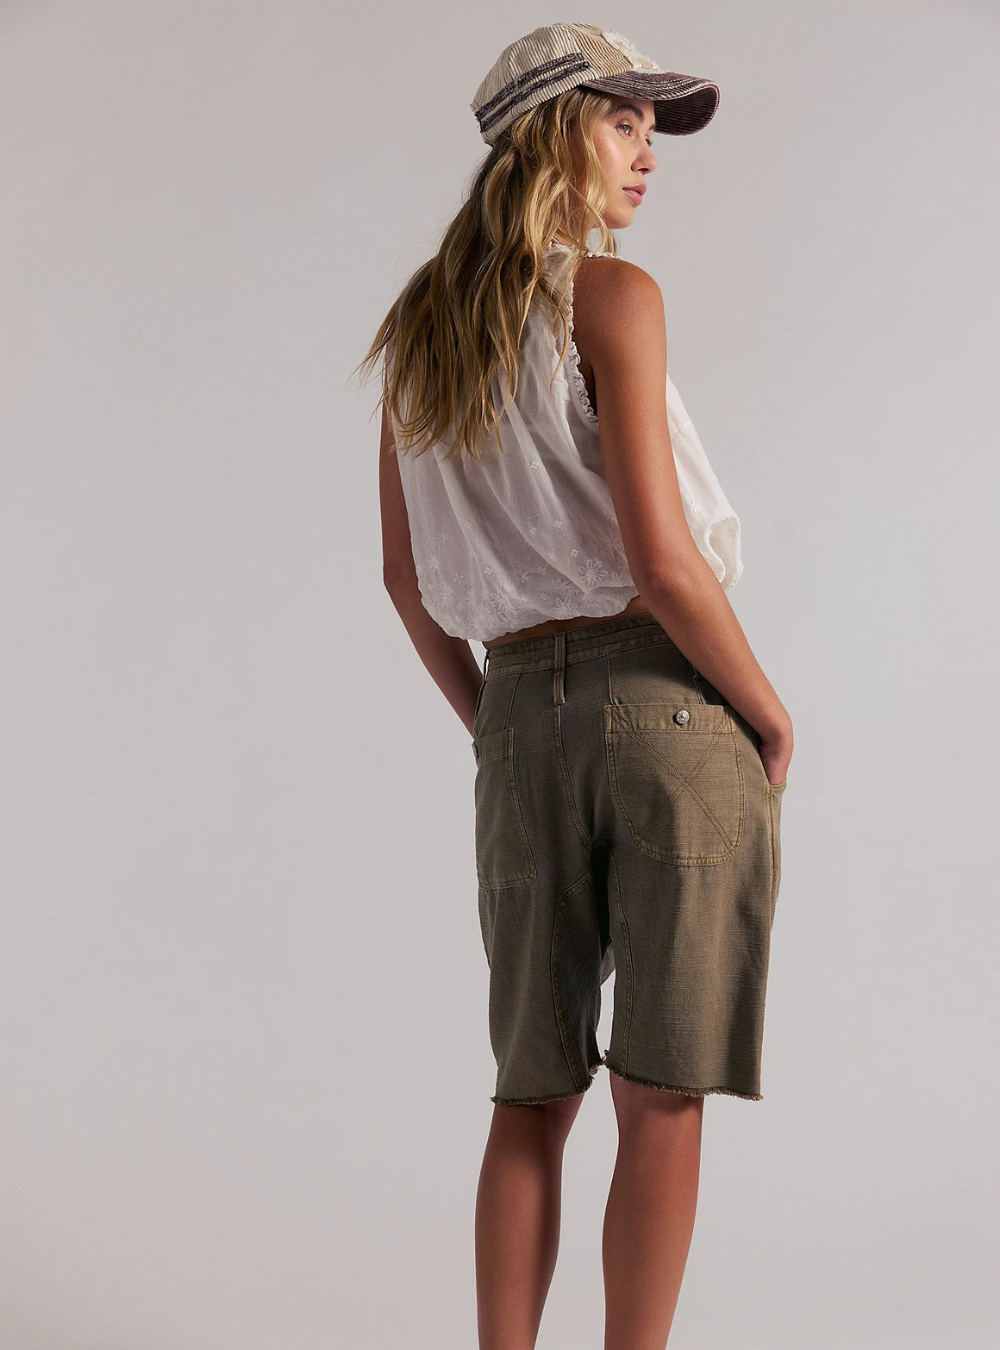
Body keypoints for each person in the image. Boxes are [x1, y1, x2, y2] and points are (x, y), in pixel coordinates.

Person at [358, 23, 793, 1350]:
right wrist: (768, 709)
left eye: (650, 131)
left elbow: (404, 581)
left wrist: (496, 725)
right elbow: (663, 563)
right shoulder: (611, 294)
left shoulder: (419, 335)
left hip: (516, 720)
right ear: (553, 133)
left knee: (530, 1090)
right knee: (661, 1091)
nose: (646, 154)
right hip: (666, 703)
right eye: (621, 123)